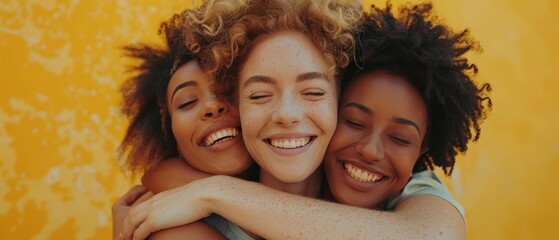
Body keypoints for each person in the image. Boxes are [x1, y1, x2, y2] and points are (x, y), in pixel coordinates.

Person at [122, 1, 492, 239]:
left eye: (313, 92)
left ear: (339, 99)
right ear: (237, 106)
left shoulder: (407, 189)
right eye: (259, 95)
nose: (287, 114)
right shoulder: (181, 219)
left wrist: (215, 192)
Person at [112, 11, 257, 239]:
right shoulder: (165, 223)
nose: (212, 105)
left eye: (227, 89)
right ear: (173, 140)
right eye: (187, 102)